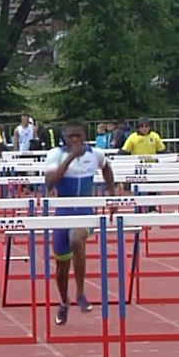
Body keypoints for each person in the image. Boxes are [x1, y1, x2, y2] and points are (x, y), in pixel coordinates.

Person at [43, 122, 117, 325]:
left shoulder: (96, 154)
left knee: (77, 239)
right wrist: (70, 158)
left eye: (78, 136)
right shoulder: (55, 154)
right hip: (63, 213)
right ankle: (64, 302)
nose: (74, 140)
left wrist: (112, 195)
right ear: (64, 137)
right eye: (70, 136)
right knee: (61, 266)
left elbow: (107, 168)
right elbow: (50, 182)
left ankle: (81, 293)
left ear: (84, 136)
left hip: (85, 212)